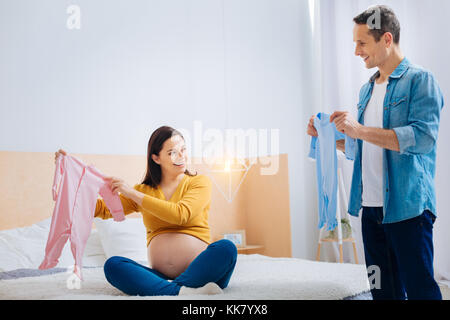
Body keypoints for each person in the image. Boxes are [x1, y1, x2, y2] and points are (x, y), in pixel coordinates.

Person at [307, 5, 443, 300]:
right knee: (382, 292)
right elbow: (363, 146)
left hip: (408, 208)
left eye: (362, 42)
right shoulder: (367, 90)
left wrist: (358, 130)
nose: (356, 50)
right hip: (371, 209)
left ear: (386, 39)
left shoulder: (421, 81)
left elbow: (423, 139)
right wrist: (330, 139)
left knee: (421, 290)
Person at [55, 126, 237, 296]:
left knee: (226, 248)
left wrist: (132, 193)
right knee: (113, 265)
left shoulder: (198, 182)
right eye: (172, 152)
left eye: (183, 149)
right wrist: (70, 181)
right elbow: (102, 209)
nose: (181, 156)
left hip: (202, 273)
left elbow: (181, 214)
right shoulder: (143, 191)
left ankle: (172, 289)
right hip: (159, 275)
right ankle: (182, 291)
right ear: (156, 158)